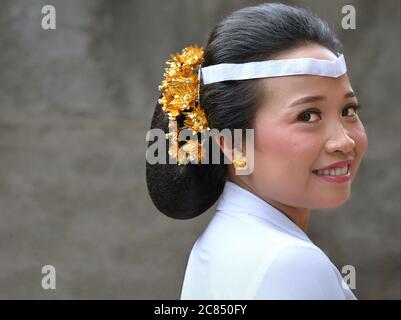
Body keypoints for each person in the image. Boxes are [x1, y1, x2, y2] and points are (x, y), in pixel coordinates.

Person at [146, 3, 368, 299]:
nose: (345, 141)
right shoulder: (291, 263)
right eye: (308, 115)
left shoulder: (224, 241)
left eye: (348, 110)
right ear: (234, 144)